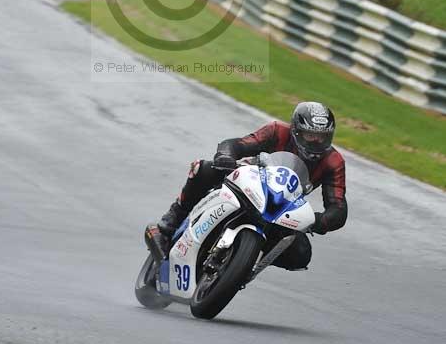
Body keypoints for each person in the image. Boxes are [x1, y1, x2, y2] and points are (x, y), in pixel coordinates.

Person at [145, 102, 347, 271]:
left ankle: (243, 263)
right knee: (204, 169)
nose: (316, 141)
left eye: (322, 137)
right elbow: (236, 144)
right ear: (296, 130)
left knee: (301, 255)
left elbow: (337, 206)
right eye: (310, 135)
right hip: (249, 183)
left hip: (282, 208)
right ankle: (168, 224)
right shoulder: (277, 131)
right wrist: (225, 156)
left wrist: (320, 221)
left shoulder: (333, 161)